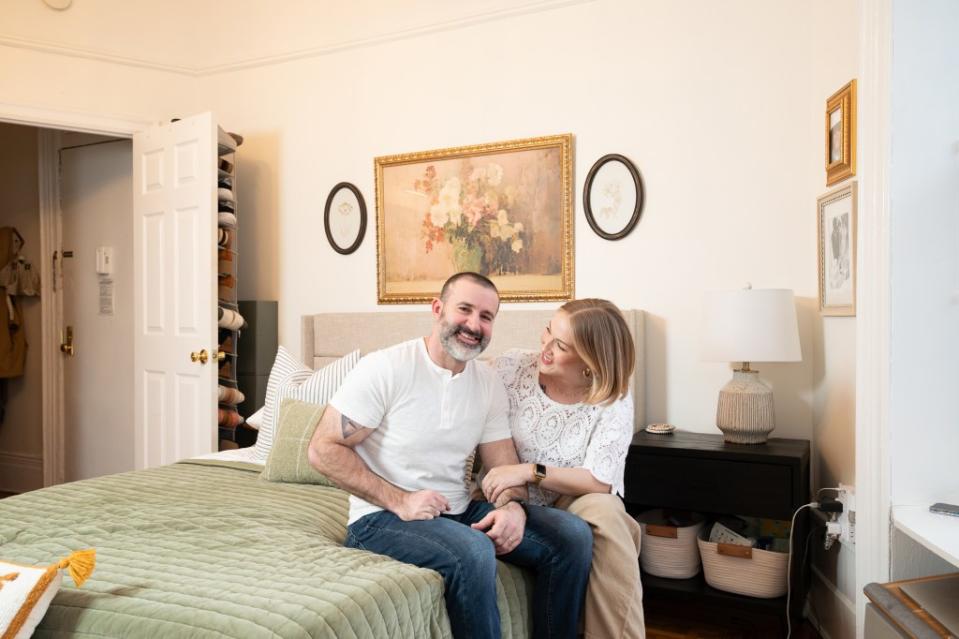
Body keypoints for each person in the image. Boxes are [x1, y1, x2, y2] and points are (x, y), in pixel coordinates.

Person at [308, 272, 593, 639]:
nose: (474, 325)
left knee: (572, 535)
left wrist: (512, 509)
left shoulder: (487, 384)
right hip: (381, 518)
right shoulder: (386, 368)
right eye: (465, 309)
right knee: (474, 551)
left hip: (456, 512)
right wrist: (401, 500)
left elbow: (503, 467)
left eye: (486, 317)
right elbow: (323, 448)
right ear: (438, 309)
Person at [480, 298, 645, 639]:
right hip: (508, 494)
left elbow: (600, 480)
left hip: (572, 498)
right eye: (548, 332)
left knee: (609, 515)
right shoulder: (510, 368)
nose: (545, 347)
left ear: (590, 362)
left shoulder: (612, 395)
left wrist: (530, 470)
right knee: (618, 523)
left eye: (561, 345)